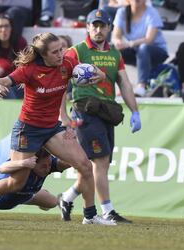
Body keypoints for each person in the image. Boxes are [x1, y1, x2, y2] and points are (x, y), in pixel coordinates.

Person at [0, 32, 115, 225]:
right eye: (54, 52)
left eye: (61, 49)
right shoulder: (29, 70)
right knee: (16, 183)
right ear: (42, 55)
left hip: (51, 129)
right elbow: (2, 81)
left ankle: (90, 216)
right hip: (27, 130)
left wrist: (95, 74)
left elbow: (102, 76)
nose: (60, 54)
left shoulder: (68, 64)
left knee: (85, 165)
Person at [58, 9, 141, 223]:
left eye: (102, 25)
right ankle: (107, 211)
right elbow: (60, 84)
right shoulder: (76, 52)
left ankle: (66, 198)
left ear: (109, 28)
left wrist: (135, 112)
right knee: (100, 161)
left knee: (96, 166)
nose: (98, 29)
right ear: (87, 27)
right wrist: (63, 116)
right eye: (94, 25)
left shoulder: (115, 54)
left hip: (106, 112)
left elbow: (125, 84)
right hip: (85, 111)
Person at [111, 0, 168, 97]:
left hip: (156, 52)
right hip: (136, 52)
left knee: (143, 48)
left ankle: (141, 87)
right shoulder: (121, 12)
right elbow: (115, 36)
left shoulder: (152, 12)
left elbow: (149, 39)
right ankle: (112, 85)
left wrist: (129, 44)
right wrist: (117, 42)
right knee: (110, 50)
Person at [0, 14, 27, 98]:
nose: (3, 30)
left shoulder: (20, 42)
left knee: (7, 91)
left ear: (11, 28)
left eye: (6, 26)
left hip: (16, 80)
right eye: (0, 27)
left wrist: (3, 65)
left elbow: (23, 68)